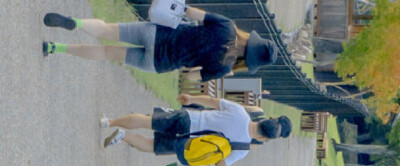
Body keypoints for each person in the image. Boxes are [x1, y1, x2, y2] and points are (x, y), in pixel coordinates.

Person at [42, 11, 274, 81]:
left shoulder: (228, 25)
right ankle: (56, 48)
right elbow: (190, 78)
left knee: (106, 30)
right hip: (159, 62)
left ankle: (77, 23)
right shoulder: (225, 66)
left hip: (157, 34)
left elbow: (191, 12)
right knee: (106, 53)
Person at [101, 99, 291, 166]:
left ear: (265, 119)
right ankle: (122, 137)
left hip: (191, 120)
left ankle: (110, 122)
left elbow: (214, 102)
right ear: (263, 139)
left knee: (147, 121)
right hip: (192, 145)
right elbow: (220, 164)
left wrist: (191, 99)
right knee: (153, 146)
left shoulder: (241, 112)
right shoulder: (244, 148)